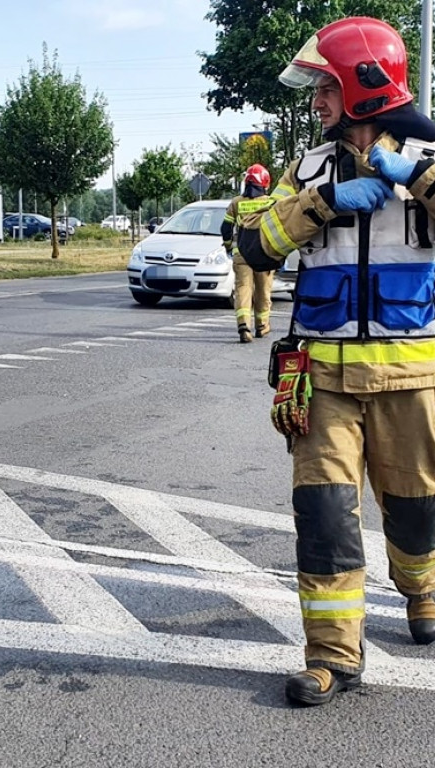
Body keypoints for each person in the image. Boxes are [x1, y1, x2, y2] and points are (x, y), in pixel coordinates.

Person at [237, 16, 435, 706]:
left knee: (417, 518)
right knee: (322, 517)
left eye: (324, 87)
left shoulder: (429, 153)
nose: (316, 101)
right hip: (322, 380)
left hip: (413, 380)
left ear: (362, 84)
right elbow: (254, 243)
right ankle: (333, 658)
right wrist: (318, 204)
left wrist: (418, 178)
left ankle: (421, 587)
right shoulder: (309, 167)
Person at [221, 164, 275, 343]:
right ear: (265, 183)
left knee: (243, 289)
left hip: (242, 254)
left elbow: (226, 228)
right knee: (263, 291)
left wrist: (229, 246)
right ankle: (262, 325)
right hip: (264, 254)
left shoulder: (236, 203)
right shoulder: (271, 202)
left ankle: (244, 326)